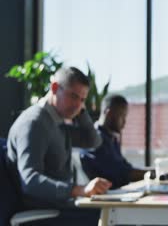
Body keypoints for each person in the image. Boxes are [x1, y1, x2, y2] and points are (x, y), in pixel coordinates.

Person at [7, 67, 112, 226]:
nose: (78, 104)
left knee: (112, 212)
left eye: (82, 100)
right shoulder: (35, 123)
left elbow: (93, 141)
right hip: (42, 212)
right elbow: (30, 180)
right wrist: (78, 190)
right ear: (55, 88)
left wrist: (81, 112)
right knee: (111, 216)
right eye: (73, 96)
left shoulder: (58, 122)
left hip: (60, 206)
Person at [80, 94, 152, 189]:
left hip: (116, 195)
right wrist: (157, 173)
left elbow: (126, 168)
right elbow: (123, 173)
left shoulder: (110, 139)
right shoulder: (95, 140)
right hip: (104, 199)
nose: (124, 122)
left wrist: (158, 171)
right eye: (122, 116)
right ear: (109, 113)